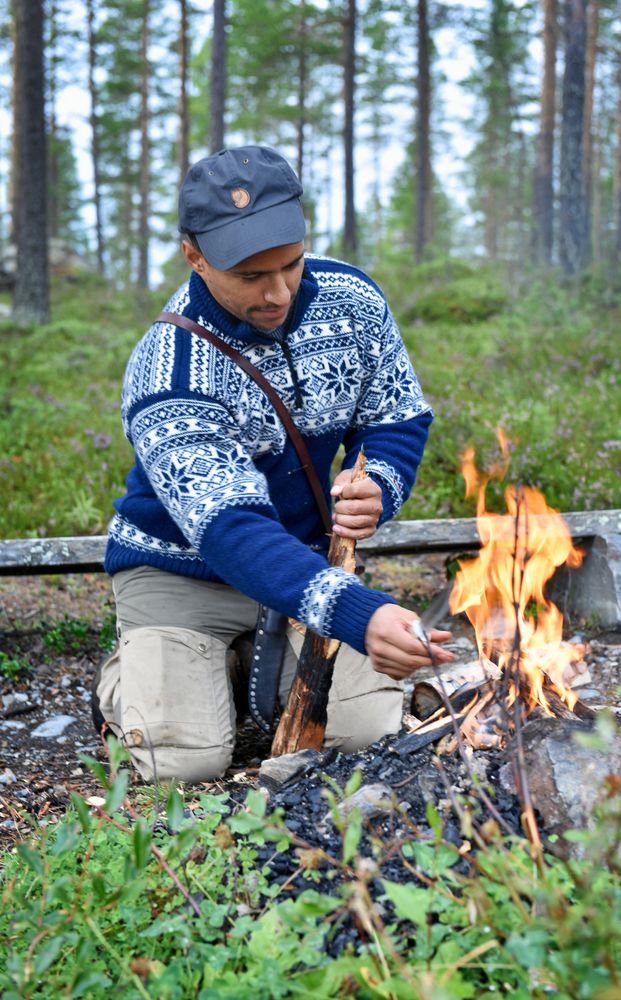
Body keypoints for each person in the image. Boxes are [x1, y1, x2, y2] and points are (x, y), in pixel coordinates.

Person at [96, 144, 454, 782]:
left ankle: (223, 673)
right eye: (250, 275)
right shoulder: (169, 365)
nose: (277, 291)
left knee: (364, 735)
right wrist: (357, 613)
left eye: (290, 264)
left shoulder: (353, 300)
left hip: (305, 563)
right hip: (182, 573)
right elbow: (229, 527)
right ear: (194, 256)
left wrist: (379, 482)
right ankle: (136, 679)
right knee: (179, 762)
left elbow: (396, 415)